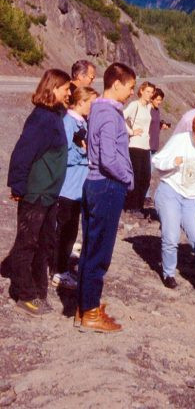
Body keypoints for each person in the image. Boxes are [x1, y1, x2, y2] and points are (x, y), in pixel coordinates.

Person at [5, 69, 71, 316]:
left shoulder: (55, 115)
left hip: (49, 195)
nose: (69, 92)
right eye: (66, 88)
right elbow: (22, 153)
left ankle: (38, 291)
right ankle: (25, 294)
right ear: (53, 88)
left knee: (44, 244)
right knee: (27, 244)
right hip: (36, 194)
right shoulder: (42, 118)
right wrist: (18, 185)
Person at [76, 62, 135, 333]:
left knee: (90, 248)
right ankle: (89, 313)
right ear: (116, 84)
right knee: (99, 253)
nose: (132, 93)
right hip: (107, 187)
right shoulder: (110, 115)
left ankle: (86, 305)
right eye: (130, 87)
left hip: (93, 185)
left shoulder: (97, 109)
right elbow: (109, 158)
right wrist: (127, 178)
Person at [153, 114, 195, 290]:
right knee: (171, 236)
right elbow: (156, 160)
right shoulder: (180, 140)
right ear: (193, 129)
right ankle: (169, 273)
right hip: (170, 191)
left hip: (191, 197)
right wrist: (172, 162)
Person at [51, 86, 99, 290]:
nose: (93, 108)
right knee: (63, 232)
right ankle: (58, 272)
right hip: (68, 188)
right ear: (81, 102)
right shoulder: (68, 122)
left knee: (70, 232)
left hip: (77, 189)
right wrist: (85, 154)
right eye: (91, 103)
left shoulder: (82, 122)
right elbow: (65, 154)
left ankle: (61, 268)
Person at [123, 81, 155, 216]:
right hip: (135, 145)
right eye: (148, 91)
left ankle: (139, 205)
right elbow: (121, 117)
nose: (150, 94)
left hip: (145, 146)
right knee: (136, 177)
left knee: (146, 177)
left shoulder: (148, 107)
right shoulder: (134, 105)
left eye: (152, 92)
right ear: (141, 91)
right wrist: (131, 131)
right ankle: (132, 207)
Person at [145, 88, 170, 206]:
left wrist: (161, 126)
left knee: (150, 172)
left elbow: (154, 126)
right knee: (147, 172)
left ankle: (146, 195)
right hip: (147, 145)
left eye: (161, 100)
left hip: (154, 144)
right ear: (152, 98)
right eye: (158, 99)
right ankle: (146, 196)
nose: (159, 102)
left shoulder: (156, 110)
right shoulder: (148, 109)